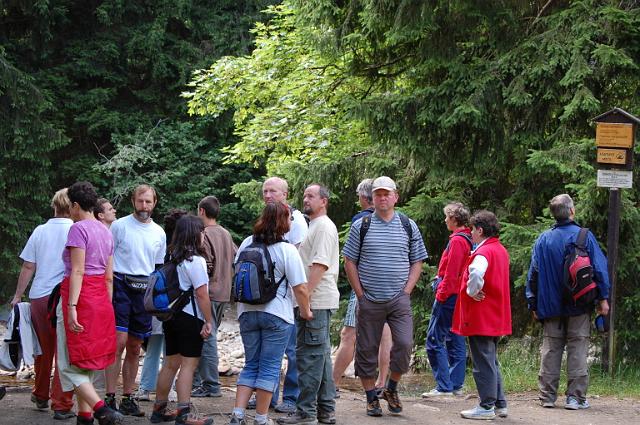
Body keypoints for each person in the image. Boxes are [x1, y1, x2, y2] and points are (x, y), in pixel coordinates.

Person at [342, 176, 427, 417]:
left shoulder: (408, 225)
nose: (382, 197)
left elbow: (417, 260)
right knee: (366, 349)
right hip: (369, 299)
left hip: (398, 299)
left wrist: (407, 291)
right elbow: (349, 261)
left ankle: (391, 388)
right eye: (378, 194)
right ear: (373, 198)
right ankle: (371, 398)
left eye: (386, 194)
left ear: (395, 197)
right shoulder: (363, 225)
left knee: (404, 344)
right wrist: (360, 294)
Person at [229, 202, 312, 425]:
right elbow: (300, 287)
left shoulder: (247, 242)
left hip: (246, 312)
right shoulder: (287, 250)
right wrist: (306, 311)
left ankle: (237, 415)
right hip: (277, 314)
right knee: (269, 367)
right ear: (284, 222)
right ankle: (261, 418)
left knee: (250, 364)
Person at [526, 194, 610, 410]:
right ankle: (575, 398)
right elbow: (599, 270)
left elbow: (533, 274)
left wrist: (533, 303)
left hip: (550, 306)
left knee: (551, 350)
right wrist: (603, 298)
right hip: (579, 305)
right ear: (571, 211)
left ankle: (547, 397)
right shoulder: (585, 236)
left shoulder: (543, 239)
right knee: (578, 350)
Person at [56, 181, 122, 425]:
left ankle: (102, 409)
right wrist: (107, 306)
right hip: (100, 299)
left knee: (68, 363)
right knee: (88, 361)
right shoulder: (105, 231)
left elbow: (77, 271)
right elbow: (108, 276)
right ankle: (85, 418)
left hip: (79, 297)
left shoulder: (78, 229)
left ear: (75, 205)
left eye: (70, 207)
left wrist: (72, 307)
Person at [277, 184, 340, 425]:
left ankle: (306, 413)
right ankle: (325, 410)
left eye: (311, 196)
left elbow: (320, 265)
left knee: (309, 357)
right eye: (304, 195)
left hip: (316, 301)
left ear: (323, 201)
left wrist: (305, 299)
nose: (306, 199)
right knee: (321, 357)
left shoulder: (323, 226)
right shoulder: (315, 225)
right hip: (317, 301)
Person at [11, 188, 75, 420]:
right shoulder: (77, 230)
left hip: (39, 296)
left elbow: (29, 266)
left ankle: (40, 394)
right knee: (64, 352)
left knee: (43, 349)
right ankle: (62, 403)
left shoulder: (40, 231)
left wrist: (18, 295)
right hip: (64, 297)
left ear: (55, 206)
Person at [248, 177, 308, 414]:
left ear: (285, 194)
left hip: (288, 298)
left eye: (273, 191)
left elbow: (296, 258)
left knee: (292, 351)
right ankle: (267, 396)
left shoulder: (297, 221)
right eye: (265, 191)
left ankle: (291, 397)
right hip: (265, 298)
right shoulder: (266, 218)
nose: (268, 195)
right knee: (268, 352)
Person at [105, 184, 166, 416]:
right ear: (133, 201)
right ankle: (110, 397)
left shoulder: (159, 232)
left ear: (154, 203)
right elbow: (107, 258)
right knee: (117, 343)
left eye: (148, 202)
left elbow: (158, 266)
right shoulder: (119, 226)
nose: (144, 206)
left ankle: (128, 397)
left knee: (134, 346)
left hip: (145, 289)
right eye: (140, 201)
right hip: (120, 284)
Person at [151, 215, 215, 425]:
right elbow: (202, 294)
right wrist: (208, 320)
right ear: (195, 234)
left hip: (172, 316)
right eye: (202, 232)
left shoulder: (173, 258)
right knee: (188, 365)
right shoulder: (195, 260)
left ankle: (159, 409)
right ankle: (184, 413)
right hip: (190, 317)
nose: (204, 235)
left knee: (170, 363)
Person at [332, 179, 392, 394]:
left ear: (365, 198)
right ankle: (382, 383)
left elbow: (350, 260)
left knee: (349, 334)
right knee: (385, 335)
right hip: (389, 289)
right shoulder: (394, 222)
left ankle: (332, 384)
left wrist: (358, 291)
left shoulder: (361, 221)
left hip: (365, 289)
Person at [452, 210, 511, 420]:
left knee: (482, 362)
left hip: (482, 315)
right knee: (491, 360)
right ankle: (500, 404)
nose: (471, 234)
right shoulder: (500, 249)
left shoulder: (483, 253)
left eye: (473, 230)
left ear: (480, 230)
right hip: (495, 315)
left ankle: (486, 406)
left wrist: (472, 291)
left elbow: (477, 273)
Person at [136, 209, 188, 402]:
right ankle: (170, 390)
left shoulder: (160, 242)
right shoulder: (182, 252)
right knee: (171, 350)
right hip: (175, 305)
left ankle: (145, 387)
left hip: (156, 302)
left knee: (153, 347)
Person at [422, 202, 471, 398]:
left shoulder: (459, 241)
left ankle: (444, 386)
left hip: (450, 295)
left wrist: (441, 293)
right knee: (454, 337)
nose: (445, 220)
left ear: (454, 219)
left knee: (434, 339)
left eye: (447, 217)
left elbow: (452, 273)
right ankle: (456, 384)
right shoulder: (467, 238)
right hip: (458, 295)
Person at [191, 196, 237, 398]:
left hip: (209, 293)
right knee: (207, 335)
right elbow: (237, 256)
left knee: (206, 336)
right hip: (224, 293)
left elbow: (206, 265)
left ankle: (211, 385)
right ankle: (200, 381)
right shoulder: (225, 233)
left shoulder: (204, 234)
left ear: (201, 211)